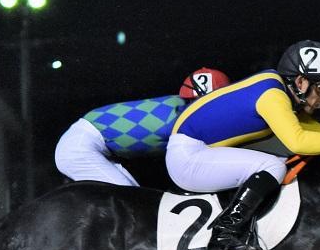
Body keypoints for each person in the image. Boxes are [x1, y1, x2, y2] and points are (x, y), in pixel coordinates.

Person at [166, 40, 320, 250]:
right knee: (272, 166)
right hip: (187, 158)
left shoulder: (277, 89)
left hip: (195, 151)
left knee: (277, 159)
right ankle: (223, 236)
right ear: (301, 82)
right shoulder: (272, 96)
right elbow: (299, 142)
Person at [54, 68, 231, 186]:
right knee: (130, 202)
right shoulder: (181, 120)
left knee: (136, 199)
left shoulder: (179, 107)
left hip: (87, 139)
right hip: (79, 146)